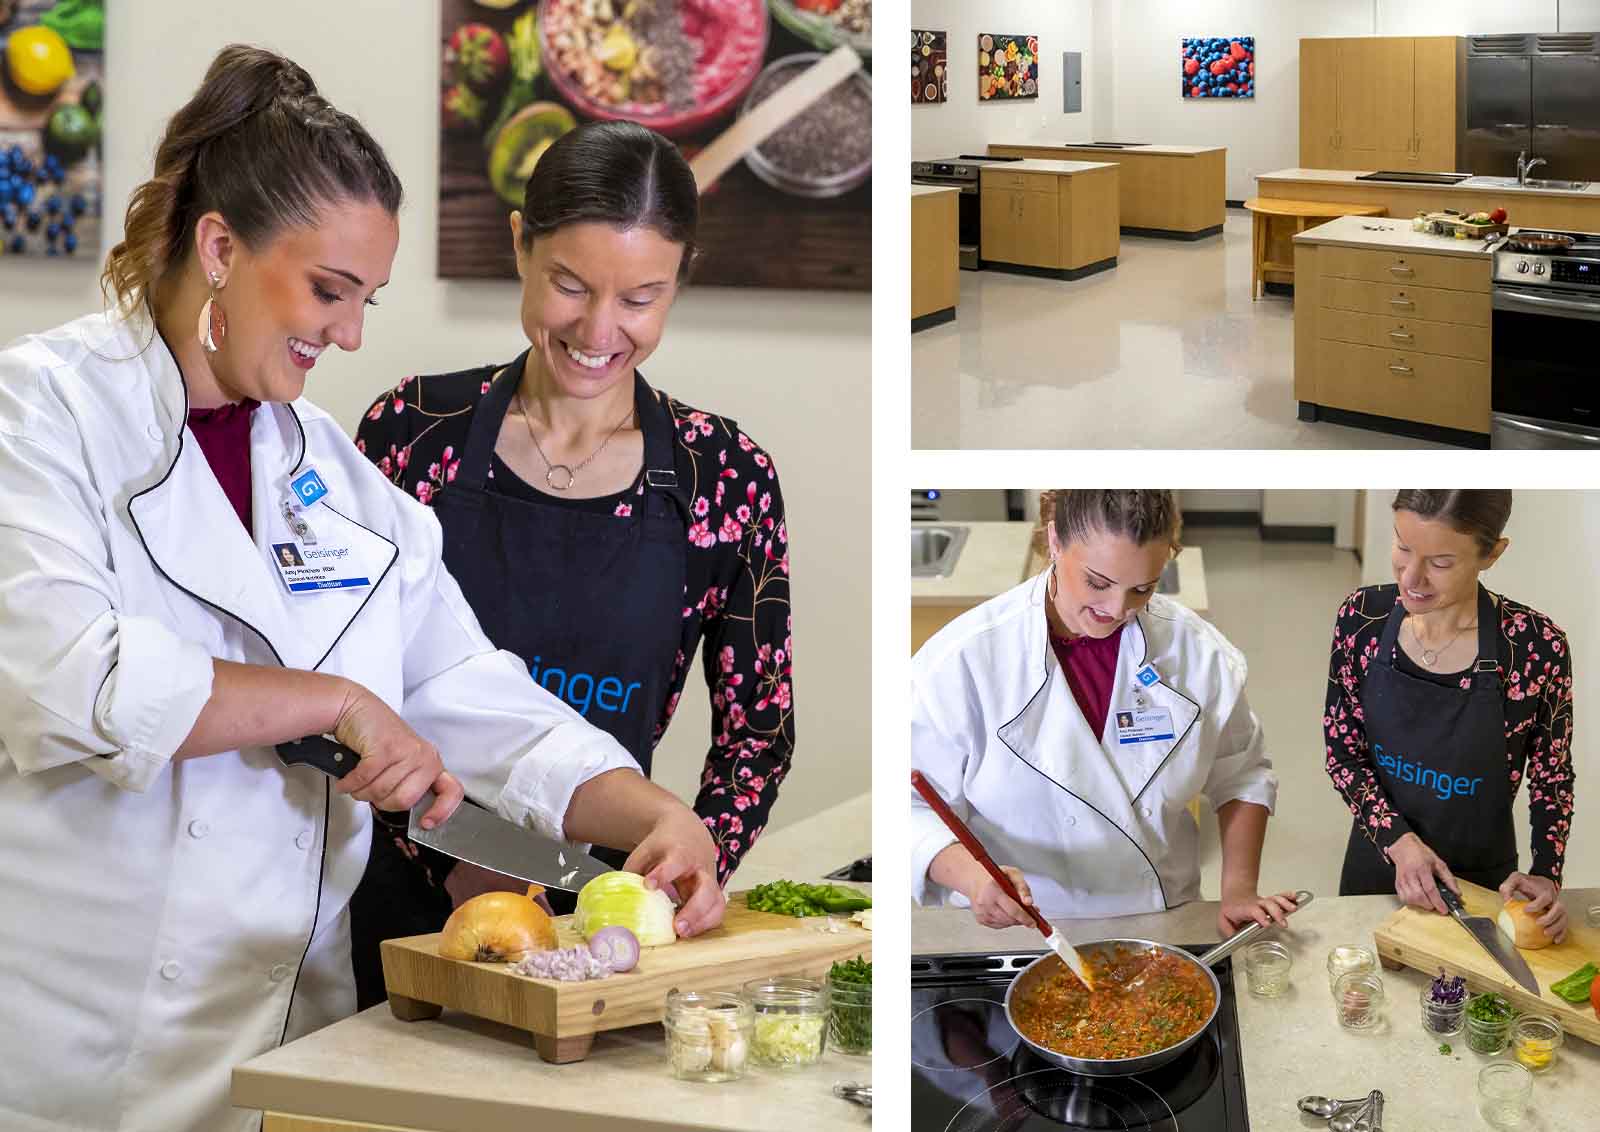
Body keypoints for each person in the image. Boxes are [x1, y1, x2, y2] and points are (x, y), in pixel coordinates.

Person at [0, 47, 720, 1132]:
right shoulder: (41, 412)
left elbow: (469, 688)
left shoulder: (330, 472)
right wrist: (326, 699)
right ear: (219, 245)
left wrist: (649, 811)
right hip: (79, 1053)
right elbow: (68, 682)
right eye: (329, 290)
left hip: (296, 1047)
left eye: (366, 298)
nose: (350, 333)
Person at [350, 122, 793, 1002]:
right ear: (520, 246)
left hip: (608, 925)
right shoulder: (410, 434)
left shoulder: (725, 476)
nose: (599, 329)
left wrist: (687, 861)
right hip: (395, 899)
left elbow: (757, 732)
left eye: (641, 297)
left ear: (679, 283)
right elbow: (345, 672)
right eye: (569, 284)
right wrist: (436, 854)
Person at [910, 490, 1297, 938]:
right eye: (1097, 582)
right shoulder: (962, 660)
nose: (1116, 610)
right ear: (1055, 540)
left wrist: (1239, 891)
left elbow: (1242, 774)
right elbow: (909, 808)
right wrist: (973, 878)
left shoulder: (1198, 653)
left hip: (1159, 924)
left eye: (1142, 589)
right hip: (1020, 928)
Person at [1325, 490, 1573, 943]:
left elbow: (1551, 777)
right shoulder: (1363, 618)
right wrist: (1400, 844)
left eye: (1440, 562)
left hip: (1481, 883)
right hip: (1380, 865)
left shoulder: (1535, 647)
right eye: (1402, 546)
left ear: (1492, 555)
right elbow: (1344, 755)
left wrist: (1545, 872)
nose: (1411, 578)